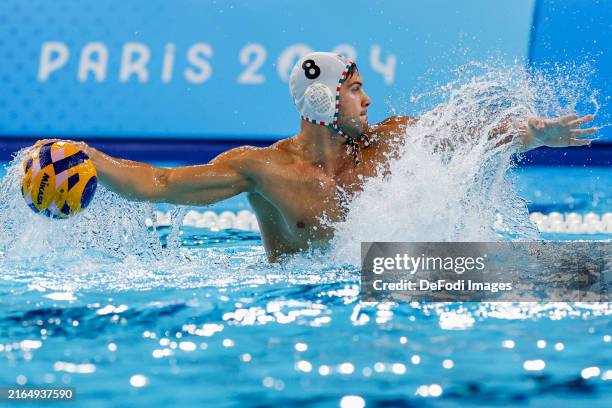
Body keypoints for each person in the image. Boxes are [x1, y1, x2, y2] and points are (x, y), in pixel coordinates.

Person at [35, 52, 597, 261]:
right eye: (356, 89)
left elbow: (462, 133)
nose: (369, 100)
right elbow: (160, 184)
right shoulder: (264, 170)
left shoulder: (393, 139)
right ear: (325, 100)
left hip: (379, 290)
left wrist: (530, 133)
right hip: (298, 304)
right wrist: (90, 158)